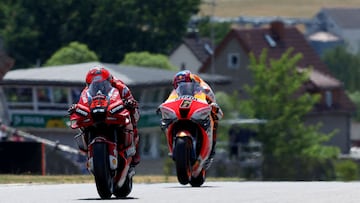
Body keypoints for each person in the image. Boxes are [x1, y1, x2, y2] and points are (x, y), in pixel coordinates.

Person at [69, 66, 140, 167]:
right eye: (94, 85)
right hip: (97, 112)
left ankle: (134, 150)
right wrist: (75, 108)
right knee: (83, 123)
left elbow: (133, 102)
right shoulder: (86, 91)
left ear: (109, 81)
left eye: (102, 84)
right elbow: (82, 102)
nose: (99, 87)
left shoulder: (121, 87)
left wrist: (130, 104)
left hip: (115, 110)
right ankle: (89, 148)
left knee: (132, 119)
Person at [170, 70, 223, 160]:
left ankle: (211, 148)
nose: (182, 88)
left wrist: (213, 107)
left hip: (199, 111)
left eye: (185, 85)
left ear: (192, 83)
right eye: (178, 86)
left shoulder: (204, 88)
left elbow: (218, 110)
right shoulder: (175, 92)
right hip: (183, 113)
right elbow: (169, 101)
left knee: (214, 119)